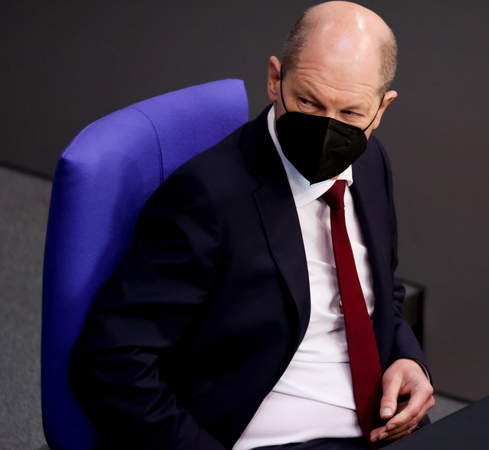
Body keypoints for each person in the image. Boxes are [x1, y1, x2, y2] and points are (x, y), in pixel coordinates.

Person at [68, 2, 434, 449]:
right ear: (275, 79)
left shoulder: (371, 162)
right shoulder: (207, 198)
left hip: (381, 420)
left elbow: (380, 292)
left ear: (381, 108)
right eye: (308, 102)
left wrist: (408, 359)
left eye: (351, 114)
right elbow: (112, 359)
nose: (327, 130)